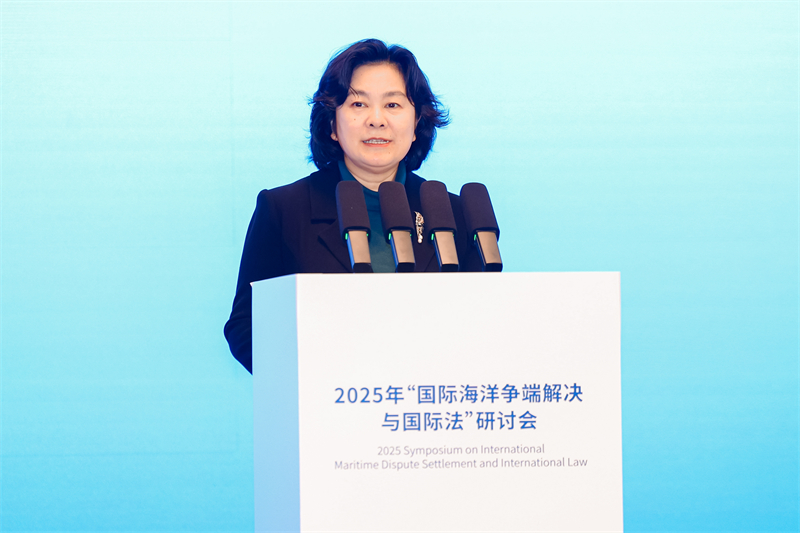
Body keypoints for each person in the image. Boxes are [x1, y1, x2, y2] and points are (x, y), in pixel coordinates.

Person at [224, 39, 482, 373]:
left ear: (417, 123)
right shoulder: (284, 209)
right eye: (358, 104)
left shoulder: (454, 214)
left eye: (393, 105)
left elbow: (484, 323)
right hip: (327, 398)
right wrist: (314, 379)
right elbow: (246, 327)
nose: (376, 120)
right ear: (332, 124)